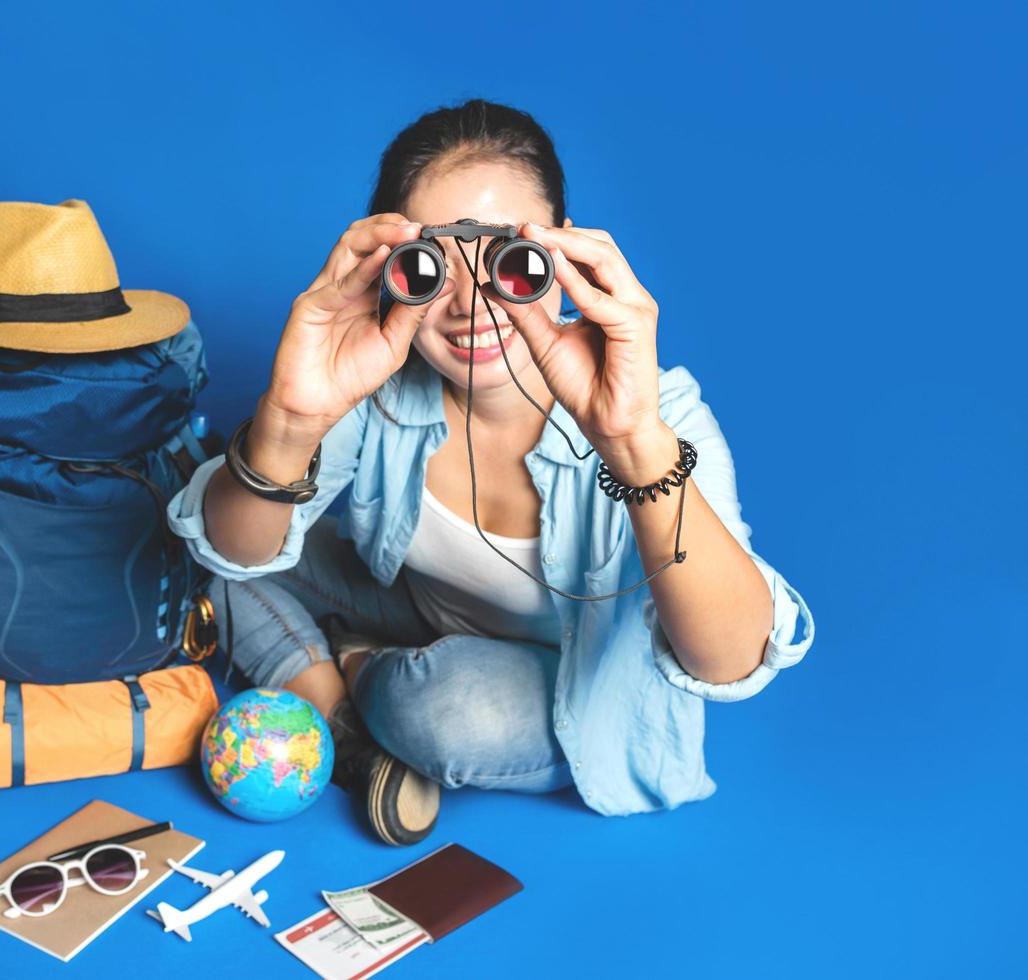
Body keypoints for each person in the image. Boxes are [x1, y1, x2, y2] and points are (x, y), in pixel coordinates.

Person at [166, 99, 815, 845]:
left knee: (447, 713)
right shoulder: (379, 380)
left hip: (575, 680)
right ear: (389, 269)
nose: (472, 305)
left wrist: (633, 441)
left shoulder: (658, 410)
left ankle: (361, 667)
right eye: (431, 267)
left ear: (567, 258)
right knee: (202, 533)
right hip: (421, 613)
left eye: (511, 263)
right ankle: (346, 715)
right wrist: (289, 418)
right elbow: (236, 550)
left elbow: (731, 661)